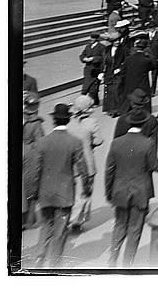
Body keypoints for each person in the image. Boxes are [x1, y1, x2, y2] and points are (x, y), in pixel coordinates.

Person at [104, 108, 158, 266]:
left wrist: (109, 193)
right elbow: (155, 166)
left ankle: (112, 259)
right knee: (134, 231)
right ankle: (127, 265)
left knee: (119, 226)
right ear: (143, 124)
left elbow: (109, 171)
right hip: (140, 194)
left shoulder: (116, 143)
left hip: (120, 193)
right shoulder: (148, 143)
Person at [32, 103, 91, 267]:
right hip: (65, 193)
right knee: (60, 229)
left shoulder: (42, 142)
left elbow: (36, 170)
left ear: (53, 121)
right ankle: (54, 263)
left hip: (45, 192)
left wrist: (34, 192)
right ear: (67, 120)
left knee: (46, 225)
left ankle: (39, 258)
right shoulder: (75, 142)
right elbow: (83, 169)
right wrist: (86, 189)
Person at [67, 96, 103, 232]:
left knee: (73, 192)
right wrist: (89, 143)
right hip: (87, 163)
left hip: (71, 163)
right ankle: (77, 221)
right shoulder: (92, 122)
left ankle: (69, 217)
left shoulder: (68, 123)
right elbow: (99, 140)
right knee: (85, 193)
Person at [22, 94, 45, 230]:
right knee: (32, 187)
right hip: (31, 154)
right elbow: (40, 141)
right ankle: (29, 220)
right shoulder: (35, 122)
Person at [121, 33, 155, 113]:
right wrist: (149, 56)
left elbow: (123, 70)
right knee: (143, 101)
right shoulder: (146, 60)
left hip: (130, 83)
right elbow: (153, 66)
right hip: (142, 84)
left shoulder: (128, 59)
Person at [79, 34, 106, 107]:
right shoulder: (88, 46)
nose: (91, 39)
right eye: (90, 38)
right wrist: (83, 58)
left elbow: (103, 58)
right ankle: (94, 101)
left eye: (93, 38)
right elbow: (82, 55)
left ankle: (88, 102)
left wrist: (94, 59)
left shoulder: (102, 47)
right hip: (88, 70)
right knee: (86, 86)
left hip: (96, 70)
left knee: (94, 87)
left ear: (97, 39)